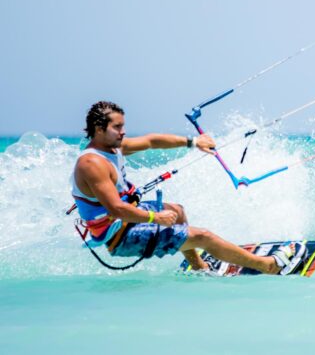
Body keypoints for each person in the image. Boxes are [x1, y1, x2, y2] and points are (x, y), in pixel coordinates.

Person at [71, 100, 298, 274]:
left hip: (125, 220)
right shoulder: (92, 164)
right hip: (118, 236)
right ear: (99, 129)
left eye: (123, 126)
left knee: (178, 211)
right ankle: (268, 266)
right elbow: (116, 209)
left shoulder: (114, 148)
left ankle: (198, 267)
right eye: (117, 127)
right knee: (203, 237)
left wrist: (193, 142)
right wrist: (154, 218)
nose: (123, 132)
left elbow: (152, 141)